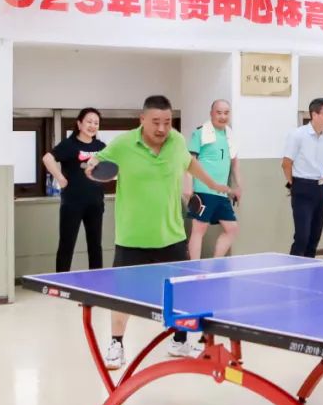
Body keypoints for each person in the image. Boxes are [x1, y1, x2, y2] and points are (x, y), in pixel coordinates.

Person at [86, 95, 233, 369]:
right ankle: (117, 343)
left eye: (167, 122)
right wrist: (92, 169)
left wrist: (212, 183)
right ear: (142, 119)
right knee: (123, 295)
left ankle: (179, 340)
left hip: (172, 236)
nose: (162, 128)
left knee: (181, 294)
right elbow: (95, 164)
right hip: (132, 237)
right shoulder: (123, 144)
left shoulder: (176, 141)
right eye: (156, 122)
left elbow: (189, 164)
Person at [43, 107, 107, 273]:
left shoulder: (101, 146)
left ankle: (97, 282)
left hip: (95, 202)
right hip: (72, 204)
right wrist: (60, 179)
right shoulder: (69, 145)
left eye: (96, 123)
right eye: (89, 122)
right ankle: (60, 282)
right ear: (79, 124)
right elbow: (47, 158)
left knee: (95, 245)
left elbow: (109, 168)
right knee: (67, 244)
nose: (92, 126)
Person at [186, 100, 242, 260]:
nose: (223, 116)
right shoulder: (200, 133)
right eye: (219, 112)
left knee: (232, 228)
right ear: (211, 114)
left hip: (221, 192)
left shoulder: (230, 135)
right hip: (203, 190)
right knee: (199, 229)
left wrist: (238, 187)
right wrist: (189, 187)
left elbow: (235, 163)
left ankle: (216, 263)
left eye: (226, 113)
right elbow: (190, 162)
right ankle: (194, 266)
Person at [282, 98, 323, 258]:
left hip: (321, 188)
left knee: (315, 236)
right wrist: (294, 184)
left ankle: (310, 267)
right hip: (302, 187)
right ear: (314, 114)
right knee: (302, 236)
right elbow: (286, 163)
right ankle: (294, 268)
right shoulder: (298, 135)